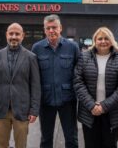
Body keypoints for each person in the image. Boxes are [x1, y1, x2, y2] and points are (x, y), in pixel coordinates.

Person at [0, 23, 41, 148]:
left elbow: (35, 85)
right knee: (1, 145)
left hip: (22, 110)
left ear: (22, 36)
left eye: (17, 34)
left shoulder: (31, 57)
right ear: (6, 35)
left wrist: (34, 110)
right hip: (0, 109)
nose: (14, 37)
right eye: (11, 34)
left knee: (21, 145)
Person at [74, 27, 118, 148]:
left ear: (112, 40)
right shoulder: (84, 57)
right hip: (89, 111)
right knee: (91, 144)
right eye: (100, 38)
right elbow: (78, 82)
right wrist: (92, 105)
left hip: (112, 111)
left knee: (110, 144)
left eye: (106, 38)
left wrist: (104, 106)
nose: (103, 41)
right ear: (95, 40)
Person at [31, 14, 80, 148]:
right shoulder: (37, 48)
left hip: (68, 101)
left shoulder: (73, 47)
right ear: (44, 30)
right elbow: (34, 77)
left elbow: (79, 74)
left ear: (60, 28)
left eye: (54, 27)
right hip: (45, 101)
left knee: (71, 138)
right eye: (48, 28)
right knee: (46, 139)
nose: (51, 31)